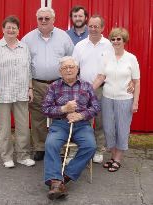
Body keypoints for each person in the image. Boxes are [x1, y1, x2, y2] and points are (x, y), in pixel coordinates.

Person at [42, 56, 100, 200]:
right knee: (51, 144)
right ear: (60, 71)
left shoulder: (86, 86)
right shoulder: (53, 86)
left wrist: (81, 115)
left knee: (90, 146)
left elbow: (96, 108)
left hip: (81, 125)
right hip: (60, 124)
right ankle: (56, 182)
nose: (68, 70)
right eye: (64, 68)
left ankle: (64, 177)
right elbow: (45, 109)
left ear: (77, 69)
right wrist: (63, 108)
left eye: (71, 67)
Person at [0, 16, 35, 168]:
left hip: (20, 93)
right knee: (3, 128)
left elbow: (29, 71)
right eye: (8, 27)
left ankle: (23, 156)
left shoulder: (24, 47)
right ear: (3, 29)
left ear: (18, 30)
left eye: (14, 28)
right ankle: (7, 157)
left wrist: (30, 88)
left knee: (23, 127)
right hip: (1, 94)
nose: (11, 30)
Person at [22, 7, 74, 161]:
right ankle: (40, 147)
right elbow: (24, 64)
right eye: (40, 18)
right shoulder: (28, 39)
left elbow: (71, 60)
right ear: (37, 20)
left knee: (61, 115)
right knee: (37, 116)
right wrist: (29, 86)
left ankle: (59, 146)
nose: (43, 21)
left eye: (47, 18)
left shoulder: (64, 37)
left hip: (59, 84)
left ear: (53, 20)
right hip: (37, 84)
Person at [93, 27, 140, 172]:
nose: (115, 41)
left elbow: (136, 81)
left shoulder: (131, 58)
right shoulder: (106, 56)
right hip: (107, 98)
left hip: (124, 99)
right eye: (113, 39)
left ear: (124, 40)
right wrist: (87, 91)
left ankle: (118, 158)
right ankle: (113, 156)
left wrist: (135, 102)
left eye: (118, 39)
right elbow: (101, 77)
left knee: (122, 129)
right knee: (108, 129)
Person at [72, 14, 114, 163]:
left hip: (103, 88)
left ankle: (98, 149)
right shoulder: (80, 45)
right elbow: (74, 67)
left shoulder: (109, 45)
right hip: (83, 89)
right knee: (83, 120)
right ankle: (83, 148)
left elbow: (115, 66)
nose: (93, 29)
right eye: (91, 26)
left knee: (100, 120)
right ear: (87, 26)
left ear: (102, 28)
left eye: (97, 26)